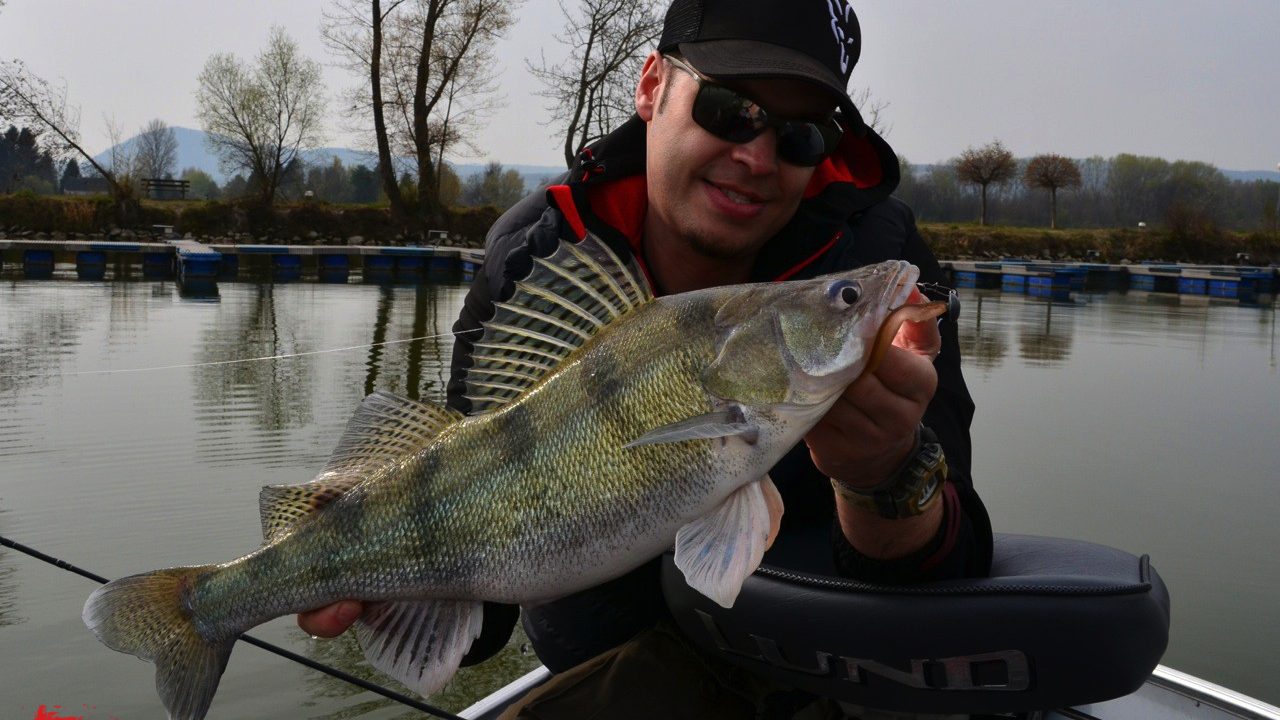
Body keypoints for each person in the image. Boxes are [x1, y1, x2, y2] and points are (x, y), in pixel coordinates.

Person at [302, 0, 992, 715]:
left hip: (826, 685)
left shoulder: (880, 261)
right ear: (652, 87)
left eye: (802, 135)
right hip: (614, 685)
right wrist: (379, 573)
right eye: (728, 108)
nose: (757, 157)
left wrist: (883, 473)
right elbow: (487, 615)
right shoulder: (539, 258)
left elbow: (952, 573)